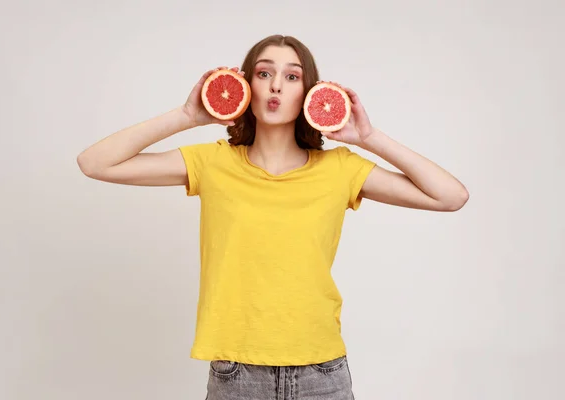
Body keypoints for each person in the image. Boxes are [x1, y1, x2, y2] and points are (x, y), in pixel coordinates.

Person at [77, 34, 469, 399]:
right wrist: (186, 116)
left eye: (292, 76)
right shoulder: (212, 162)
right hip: (237, 374)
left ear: (309, 91)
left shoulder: (341, 169)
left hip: (322, 373)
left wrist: (369, 138)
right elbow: (94, 163)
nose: (276, 85)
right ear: (247, 85)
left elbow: (451, 196)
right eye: (264, 73)